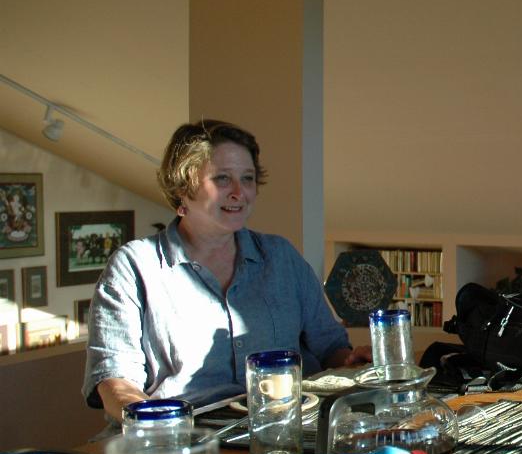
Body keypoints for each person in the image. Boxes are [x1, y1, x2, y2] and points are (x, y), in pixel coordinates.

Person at [84, 120, 370, 422]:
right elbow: (114, 381)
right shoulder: (134, 267)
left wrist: (350, 360)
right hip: (183, 438)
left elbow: (330, 348)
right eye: (222, 179)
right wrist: (158, 428)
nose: (239, 192)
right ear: (183, 187)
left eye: (247, 179)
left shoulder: (281, 257)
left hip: (281, 430)